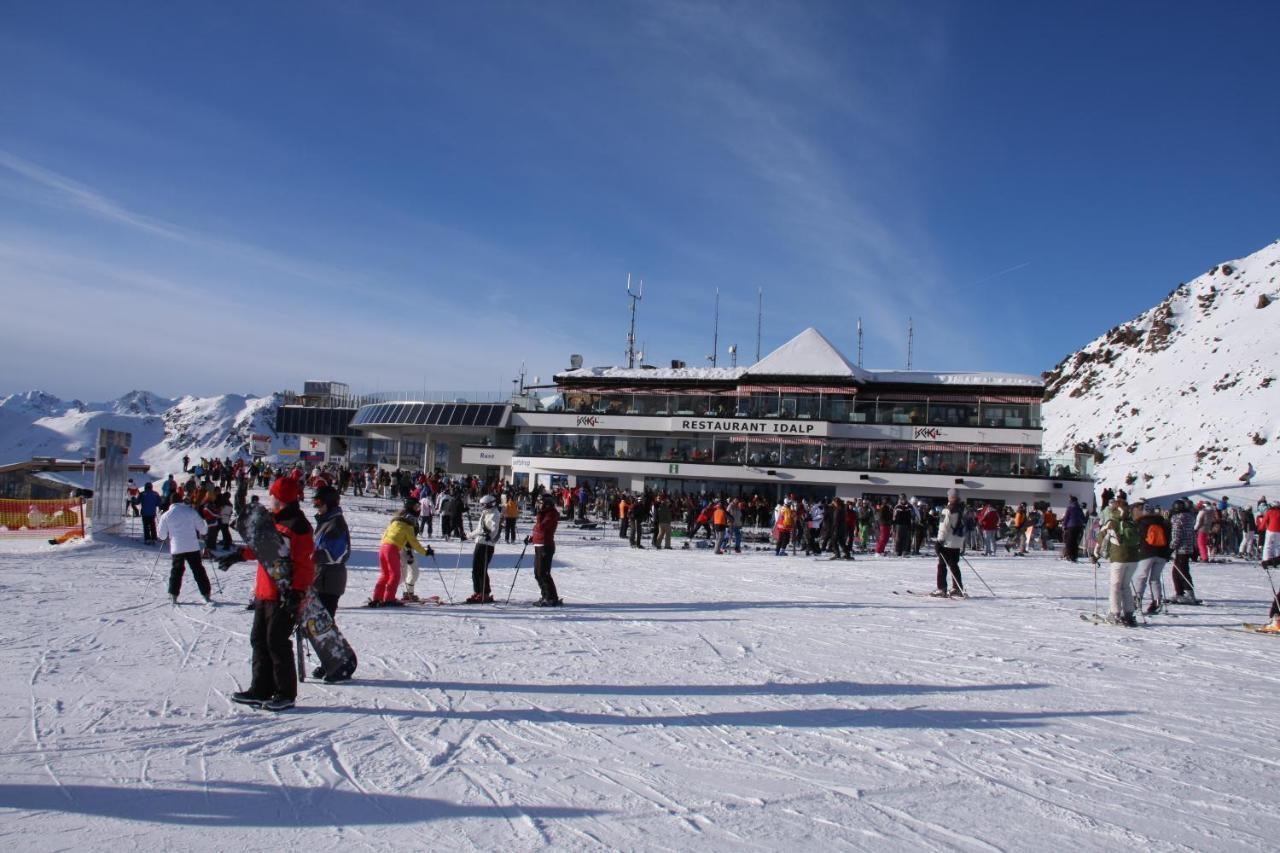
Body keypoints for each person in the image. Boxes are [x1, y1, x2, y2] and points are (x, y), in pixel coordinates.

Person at [229, 476, 315, 711]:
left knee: (276, 642)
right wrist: (238, 555)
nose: (270, 500)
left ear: (282, 499)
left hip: (284, 594)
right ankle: (260, 689)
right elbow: (263, 550)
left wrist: (297, 592)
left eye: (273, 497)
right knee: (259, 640)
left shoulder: (298, 526)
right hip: (265, 592)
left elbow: (305, 564)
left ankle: (285, 693)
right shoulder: (273, 521)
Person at [368, 499, 429, 606]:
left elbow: (386, 535)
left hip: (383, 547)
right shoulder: (408, 526)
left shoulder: (395, 523)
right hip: (393, 549)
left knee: (385, 574)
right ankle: (389, 598)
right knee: (395, 575)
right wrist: (426, 552)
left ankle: (377, 597)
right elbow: (413, 542)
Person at [157, 491, 212, 605]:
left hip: (177, 547)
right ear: (181, 500)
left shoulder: (166, 515)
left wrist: (167, 533)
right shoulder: (191, 512)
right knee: (198, 570)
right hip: (192, 546)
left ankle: (173, 595)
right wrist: (205, 525)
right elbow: (203, 530)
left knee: (176, 571)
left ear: (171, 502)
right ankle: (206, 593)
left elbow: (161, 535)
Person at [1093, 500, 1141, 626]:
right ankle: (1129, 614)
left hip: (1118, 558)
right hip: (1134, 559)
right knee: (1125, 585)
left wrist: (1095, 555)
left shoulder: (1112, 522)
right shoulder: (1132, 523)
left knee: (1115, 586)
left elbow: (1100, 538)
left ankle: (1115, 614)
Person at [311, 485, 350, 619]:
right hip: (320, 579)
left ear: (329, 503)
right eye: (314, 503)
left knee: (323, 626)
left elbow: (335, 555)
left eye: (319, 503)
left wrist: (307, 557)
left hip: (329, 583)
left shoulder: (336, 524)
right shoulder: (325, 522)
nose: (316, 507)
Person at [1132, 501, 1172, 615]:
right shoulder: (1163, 522)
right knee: (1155, 579)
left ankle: (1136, 600)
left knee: (1141, 577)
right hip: (1162, 554)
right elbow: (1169, 538)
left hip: (1146, 553)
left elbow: (1137, 539)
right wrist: (1167, 553)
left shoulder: (1140, 522)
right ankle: (1157, 601)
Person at [528, 493, 562, 606]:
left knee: (543, 573)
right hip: (539, 545)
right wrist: (532, 538)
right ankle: (545, 595)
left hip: (545, 546)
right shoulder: (544, 514)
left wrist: (539, 515)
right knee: (538, 573)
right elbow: (538, 530)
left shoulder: (551, 514)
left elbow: (541, 527)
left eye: (541, 503)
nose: (538, 505)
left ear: (547, 504)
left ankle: (551, 597)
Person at [467, 494, 502, 602]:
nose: (482, 507)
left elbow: (494, 528)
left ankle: (484, 593)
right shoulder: (485, 513)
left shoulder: (494, 514)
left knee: (481, 569)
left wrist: (490, 536)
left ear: (490, 504)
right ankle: (478, 591)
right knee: (475, 569)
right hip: (480, 542)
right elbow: (479, 529)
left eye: (484, 505)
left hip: (486, 544)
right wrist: (468, 535)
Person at [932, 490, 965, 597]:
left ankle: (941, 588)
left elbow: (944, 527)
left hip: (947, 542)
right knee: (954, 565)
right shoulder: (962, 509)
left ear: (950, 497)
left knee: (942, 565)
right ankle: (957, 587)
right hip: (957, 541)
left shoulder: (947, 510)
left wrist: (939, 541)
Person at [1169, 498, 1200, 604]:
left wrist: (1171, 547)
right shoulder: (1189, 518)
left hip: (1181, 548)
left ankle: (1189, 594)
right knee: (1177, 570)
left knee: (1182, 571)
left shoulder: (1177, 519)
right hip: (1188, 547)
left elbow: (1176, 536)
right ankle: (1179, 593)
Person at [1061, 496, 1085, 562]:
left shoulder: (1070, 508)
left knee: (1069, 542)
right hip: (1079, 527)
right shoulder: (1079, 508)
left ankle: (1069, 555)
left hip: (1071, 527)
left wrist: (1064, 525)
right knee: (1075, 542)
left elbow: (1066, 518)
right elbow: (1083, 518)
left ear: (1071, 501)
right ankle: (1075, 556)